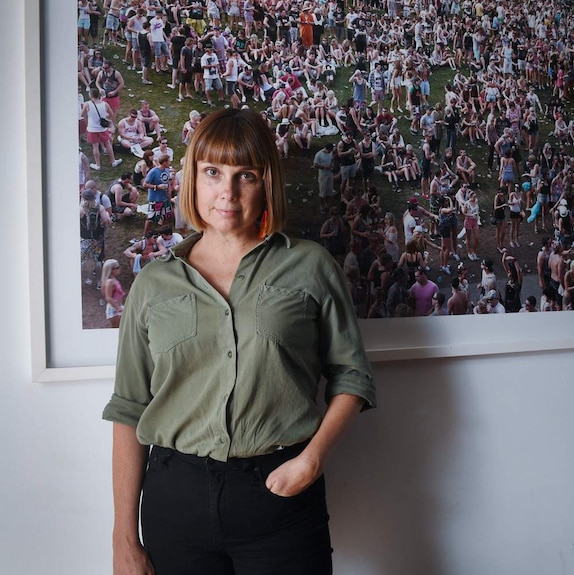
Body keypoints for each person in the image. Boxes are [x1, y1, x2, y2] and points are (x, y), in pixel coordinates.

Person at [103, 108, 376, 575]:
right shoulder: (153, 283)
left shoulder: (310, 267)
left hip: (279, 499)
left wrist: (311, 462)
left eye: (244, 175)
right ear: (193, 178)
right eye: (212, 172)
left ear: (266, 182)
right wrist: (123, 538)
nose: (227, 193)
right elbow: (130, 408)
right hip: (175, 502)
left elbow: (351, 377)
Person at [101, 259, 125, 328]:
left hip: (118, 306)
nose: (119, 269)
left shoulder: (113, 280)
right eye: (117, 268)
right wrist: (118, 308)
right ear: (111, 270)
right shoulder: (110, 282)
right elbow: (108, 297)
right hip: (114, 309)